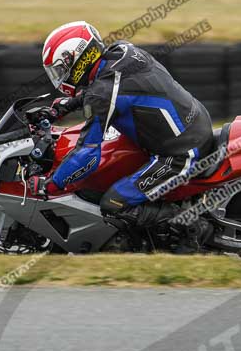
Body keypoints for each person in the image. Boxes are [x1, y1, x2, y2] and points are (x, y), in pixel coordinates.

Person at [27, 21, 214, 252]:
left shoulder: (101, 93)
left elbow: (88, 154)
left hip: (179, 153)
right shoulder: (122, 52)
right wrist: (64, 107)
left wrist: (51, 185)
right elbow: (108, 89)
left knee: (114, 203)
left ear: (77, 60)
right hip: (192, 125)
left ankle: (193, 227)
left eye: (59, 70)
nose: (59, 77)